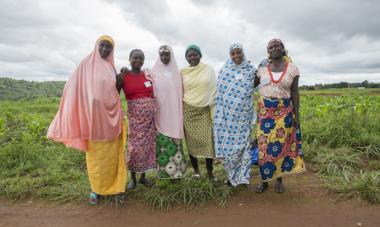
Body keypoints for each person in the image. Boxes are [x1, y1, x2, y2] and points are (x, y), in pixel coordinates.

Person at [47, 35, 127, 205]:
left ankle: (116, 188)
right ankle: (96, 190)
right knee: (95, 159)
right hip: (93, 122)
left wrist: (120, 78)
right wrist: (84, 106)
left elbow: (115, 92)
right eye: (102, 45)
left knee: (113, 157)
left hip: (111, 120)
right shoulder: (85, 65)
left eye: (109, 48)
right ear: (97, 46)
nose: (105, 49)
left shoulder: (111, 69)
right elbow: (73, 86)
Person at [254, 39, 306, 193]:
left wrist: (297, 115)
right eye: (270, 47)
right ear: (268, 51)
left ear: (283, 48)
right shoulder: (262, 69)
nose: (273, 49)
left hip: (284, 112)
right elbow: (251, 84)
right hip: (265, 113)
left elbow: (295, 93)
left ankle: (279, 180)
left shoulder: (293, 69)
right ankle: (264, 181)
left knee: (280, 147)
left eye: (276, 46)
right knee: (264, 147)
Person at [213, 42, 257, 187]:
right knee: (229, 148)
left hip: (243, 117)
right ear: (230, 55)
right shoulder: (225, 70)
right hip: (228, 119)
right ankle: (231, 176)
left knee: (244, 147)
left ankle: (243, 177)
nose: (236, 55)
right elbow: (220, 94)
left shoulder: (250, 70)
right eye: (233, 53)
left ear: (243, 52)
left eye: (238, 52)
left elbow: (254, 85)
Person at [117, 49, 156, 189]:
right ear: (130, 58)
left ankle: (143, 178)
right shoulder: (123, 76)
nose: (138, 61)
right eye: (135, 58)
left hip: (150, 120)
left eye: (141, 58)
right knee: (134, 148)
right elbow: (114, 94)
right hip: (135, 120)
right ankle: (133, 179)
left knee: (146, 148)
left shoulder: (148, 75)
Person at [147, 45, 186, 180]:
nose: (164, 57)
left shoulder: (177, 73)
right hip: (160, 115)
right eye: (162, 54)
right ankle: (163, 174)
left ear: (171, 55)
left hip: (174, 115)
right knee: (162, 146)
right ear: (159, 56)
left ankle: (177, 174)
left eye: (167, 54)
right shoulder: (153, 71)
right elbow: (145, 81)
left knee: (175, 146)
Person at [181, 44, 217, 180]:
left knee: (208, 142)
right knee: (191, 143)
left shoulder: (208, 70)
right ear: (186, 58)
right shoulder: (183, 72)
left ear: (200, 55)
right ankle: (196, 171)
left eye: (195, 54)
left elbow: (213, 90)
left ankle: (210, 172)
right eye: (189, 55)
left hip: (204, 110)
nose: (192, 57)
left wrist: (213, 110)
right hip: (188, 110)